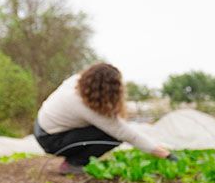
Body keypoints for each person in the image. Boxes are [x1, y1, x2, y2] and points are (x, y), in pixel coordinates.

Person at [34, 62, 173, 174]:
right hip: (51, 139)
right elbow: (126, 133)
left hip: (42, 127)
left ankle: (74, 160)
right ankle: (73, 164)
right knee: (112, 136)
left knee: (107, 130)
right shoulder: (82, 105)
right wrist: (165, 154)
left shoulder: (76, 81)